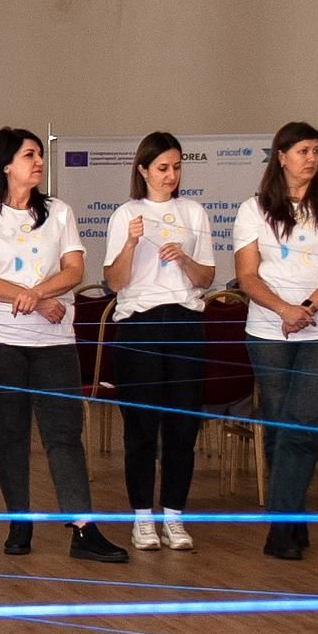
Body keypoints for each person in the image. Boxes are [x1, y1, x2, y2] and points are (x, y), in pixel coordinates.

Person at [0, 126, 125, 562]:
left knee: (64, 435)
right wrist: (34, 299)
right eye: (29, 155)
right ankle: (19, 521)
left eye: (39, 155)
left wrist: (36, 296)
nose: (38, 162)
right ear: (6, 165)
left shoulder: (59, 212)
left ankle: (83, 528)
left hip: (53, 343)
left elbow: (74, 270)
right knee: (9, 434)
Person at [231, 122, 318, 561]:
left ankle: (280, 527)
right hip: (270, 330)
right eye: (302, 151)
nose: (311, 158)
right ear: (281, 157)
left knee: (304, 422)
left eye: (315, 151)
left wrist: (307, 307)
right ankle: (294, 517)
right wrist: (285, 310)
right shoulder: (253, 209)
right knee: (279, 426)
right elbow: (247, 275)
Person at [104, 132, 217, 551]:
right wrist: (132, 244)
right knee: (141, 427)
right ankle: (142, 518)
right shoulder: (125, 214)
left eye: (177, 167)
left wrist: (184, 257)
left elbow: (207, 277)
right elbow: (114, 282)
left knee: (183, 426)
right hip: (140, 326)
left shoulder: (194, 212)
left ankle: (174, 515)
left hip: (185, 323)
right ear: (143, 170)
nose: (171, 175)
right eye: (163, 168)